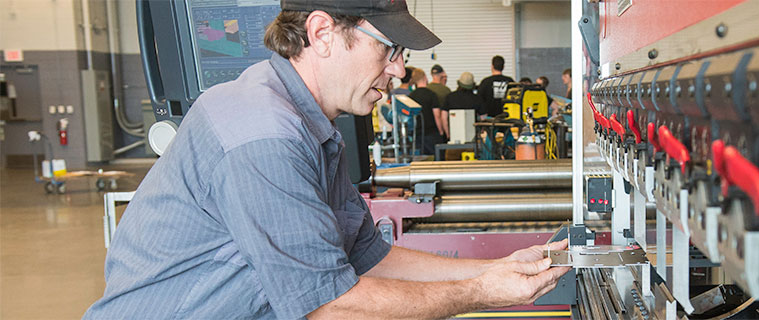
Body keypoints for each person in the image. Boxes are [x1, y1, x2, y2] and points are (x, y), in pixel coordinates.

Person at [84, 1, 569, 319]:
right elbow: (330, 306)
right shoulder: (264, 133)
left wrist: (496, 270)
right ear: (322, 33)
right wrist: (482, 294)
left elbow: (367, 257)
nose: (400, 69)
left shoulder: (312, 123)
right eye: (389, 48)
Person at [409, 68, 446, 154]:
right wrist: (441, 131)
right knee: (437, 158)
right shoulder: (432, 95)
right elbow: (437, 115)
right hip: (432, 133)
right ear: (425, 78)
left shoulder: (411, 96)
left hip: (417, 135)